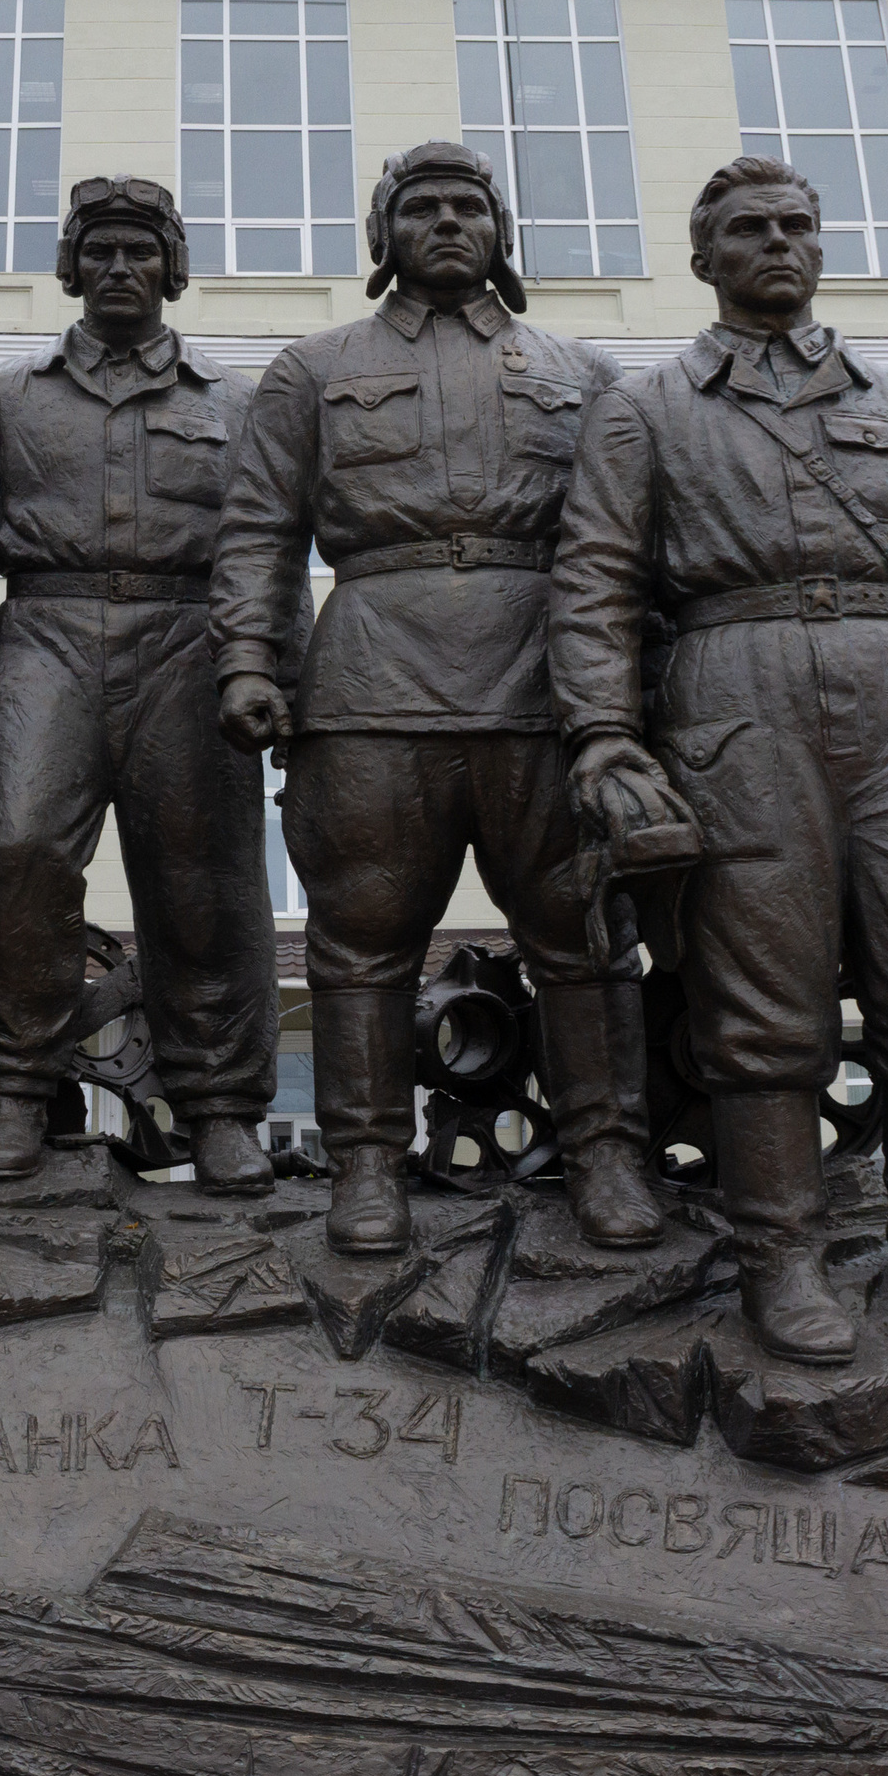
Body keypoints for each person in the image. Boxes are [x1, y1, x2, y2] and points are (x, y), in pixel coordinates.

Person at [549, 157, 888, 1363]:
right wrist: (605, 736)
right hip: (737, 695)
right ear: (702, 258)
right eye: (746, 229)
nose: (777, 243)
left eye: (796, 226)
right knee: (764, 1007)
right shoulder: (649, 407)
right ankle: (781, 1254)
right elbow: (595, 584)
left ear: (821, 249)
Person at [212, 140, 658, 1257]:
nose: (447, 224)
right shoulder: (311, 369)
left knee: (583, 935)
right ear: (383, 237)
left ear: (501, 233)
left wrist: (633, 700)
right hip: (372, 677)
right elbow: (257, 532)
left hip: (544, 681)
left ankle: (605, 1150)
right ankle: (365, 1164)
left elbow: (628, 545)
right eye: (421, 209)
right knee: (359, 942)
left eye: (469, 207)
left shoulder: (586, 372)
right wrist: (251, 664)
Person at [0, 175, 281, 1193]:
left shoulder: (238, 401)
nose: (119, 269)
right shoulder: (0, 399)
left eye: (140, 251)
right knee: (10, 847)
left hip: (187, 637)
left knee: (203, 879)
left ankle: (219, 1107)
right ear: (70, 268)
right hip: (43, 626)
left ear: (172, 268)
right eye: (99, 252)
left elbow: (266, 548)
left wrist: (266, 668)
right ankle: (9, 1087)